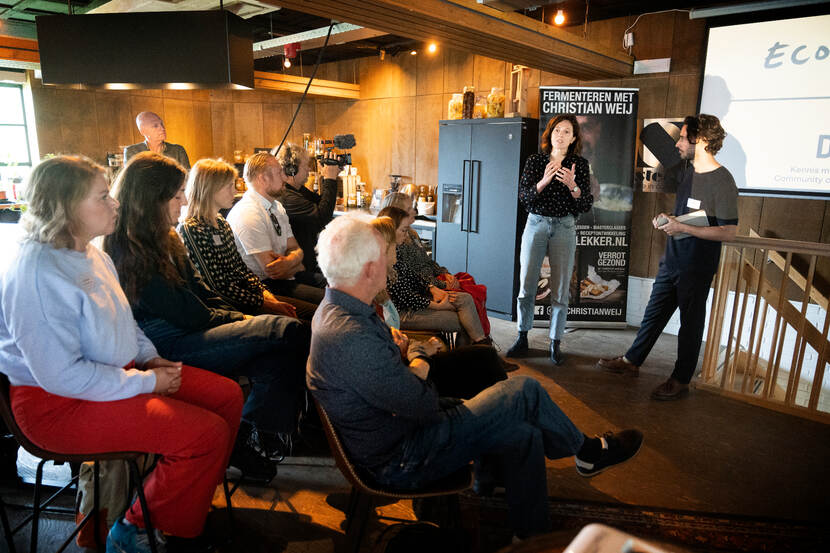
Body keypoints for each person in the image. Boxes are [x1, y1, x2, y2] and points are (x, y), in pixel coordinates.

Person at [307, 215, 644, 540]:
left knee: (523, 434)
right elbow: (422, 402)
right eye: (384, 256)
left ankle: (529, 537)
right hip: (402, 457)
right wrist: (416, 357)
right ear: (369, 269)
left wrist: (402, 356)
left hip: (402, 434)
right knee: (524, 390)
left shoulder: (340, 310)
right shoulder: (350, 334)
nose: (389, 263)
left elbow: (388, 383)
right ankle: (586, 452)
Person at [0, 155, 240, 553]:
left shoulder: (93, 253)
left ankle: (182, 500)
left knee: (227, 396)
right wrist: (145, 381)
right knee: (205, 434)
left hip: (111, 377)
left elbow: (125, 323)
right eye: (102, 197)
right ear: (66, 206)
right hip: (58, 406)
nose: (115, 203)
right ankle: (135, 529)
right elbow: (61, 377)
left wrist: (149, 359)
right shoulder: (37, 272)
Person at [103, 152, 309, 478]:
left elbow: (201, 292)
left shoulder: (166, 237)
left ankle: (243, 440)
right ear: (150, 200)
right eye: (176, 194)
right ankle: (282, 433)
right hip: (167, 345)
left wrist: (234, 316)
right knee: (288, 331)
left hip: (193, 330)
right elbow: (187, 314)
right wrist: (240, 320)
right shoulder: (130, 249)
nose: (184, 200)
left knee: (278, 359)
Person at [597, 115, 738, 401]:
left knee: (690, 324)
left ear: (702, 141)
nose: (678, 142)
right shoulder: (689, 173)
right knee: (653, 315)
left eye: (684, 137)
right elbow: (690, 216)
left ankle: (681, 379)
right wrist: (668, 220)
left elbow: (728, 231)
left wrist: (682, 227)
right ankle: (631, 362)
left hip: (696, 266)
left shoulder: (723, 180)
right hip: (672, 260)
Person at [507, 114, 594, 365]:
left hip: (565, 226)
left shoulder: (580, 164)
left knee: (561, 286)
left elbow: (586, 202)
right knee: (527, 283)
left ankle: (555, 342)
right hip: (536, 223)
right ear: (550, 134)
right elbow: (524, 197)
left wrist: (572, 185)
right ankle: (522, 336)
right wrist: (545, 180)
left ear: (574, 138)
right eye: (557, 130)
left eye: (567, 131)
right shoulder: (535, 161)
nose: (561, 135)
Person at [177, 158, 303, 318]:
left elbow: (241, 271)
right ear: (211, 189)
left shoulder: (221, 223)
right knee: (300, 324)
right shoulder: (191, 228)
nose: (235, 192)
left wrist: (268, 298)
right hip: (227, 309)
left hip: (250, 297)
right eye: (230, 186)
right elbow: (217, 287)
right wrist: (265, 304)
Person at [227, 152, 325, 320]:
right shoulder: (248, 212)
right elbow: (272, 270)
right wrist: (294, 262)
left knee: (340, 290)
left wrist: (291, 261)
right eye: (279, 172)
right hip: (264, 286)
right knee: (328, 307)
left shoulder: (276, 206)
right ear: (263, 178)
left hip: (288, 277)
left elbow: (296, 249)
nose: (284, 177)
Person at [380, 206, 488, 346]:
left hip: (418, 301)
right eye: (403, 230)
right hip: (404, 313)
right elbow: (404, 297)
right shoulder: (386, 257)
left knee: (466, 299)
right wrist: (439, 306)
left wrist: (430, 288)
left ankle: (480, 353)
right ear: (390, 230)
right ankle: (479, 354)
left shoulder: (398, 249)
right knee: (465, 321)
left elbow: (415, 276)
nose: (407, 235)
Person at [276, 143, 340, 278]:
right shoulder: (288, 197)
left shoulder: (296, 190)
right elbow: (323, 217)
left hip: (309, 262)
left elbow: (321, 203)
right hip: (300, 270)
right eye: (306, 166)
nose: (309, 170)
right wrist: (330, 179)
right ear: (292, 169)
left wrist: (327, 177)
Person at [124, 111, 190, 169]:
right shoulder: (132, 152)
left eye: (162, 124)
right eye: (155, 126)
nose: (162, 128)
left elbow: (188, 179)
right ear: (143, 131)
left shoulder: (178, 150)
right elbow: (130, 180)